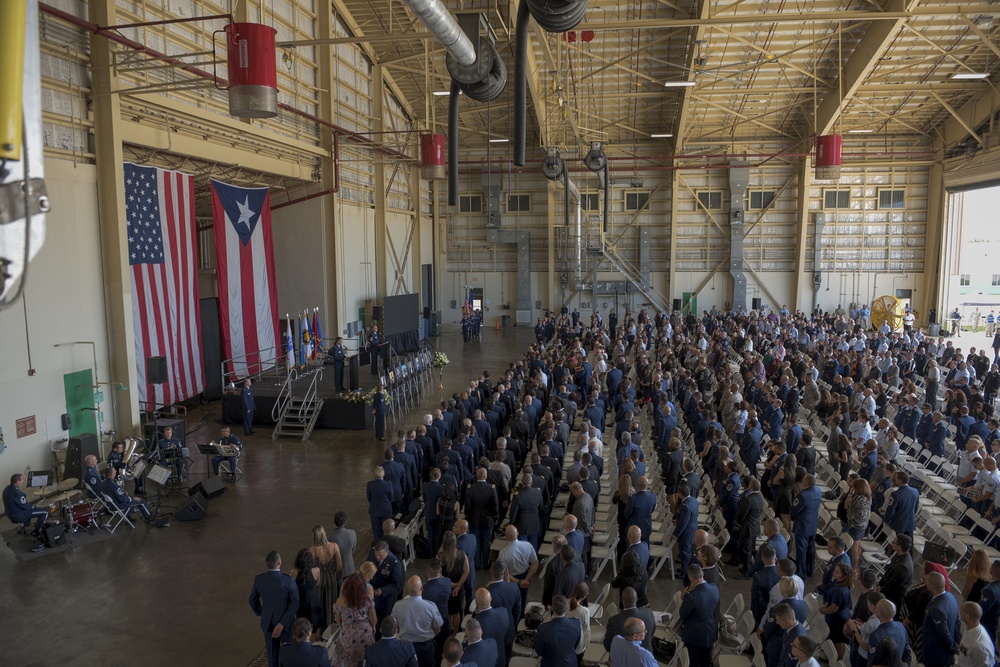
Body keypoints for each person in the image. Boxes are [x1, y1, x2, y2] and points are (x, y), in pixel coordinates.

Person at [249, 551, 300, 667]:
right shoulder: (288, 580)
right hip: (286, 623)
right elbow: (295, 604)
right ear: (279, 563)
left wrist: (262, 612)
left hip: (268, 623)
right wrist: (282, 623)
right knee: (289, 655)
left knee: (272, 656)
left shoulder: (259, 580)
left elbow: (252, 600)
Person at [393, 576, 443, 667]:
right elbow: (438, 628)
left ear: (407, 589)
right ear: (421, 588)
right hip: (426, 648)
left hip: (405, 647)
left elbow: (395, 627)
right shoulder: (431, 607)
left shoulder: (397, 606)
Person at [332, 572, 377, 667]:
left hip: (347, 636)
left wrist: (343, 626)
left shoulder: (340, 601)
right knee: (366, 659)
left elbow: (338, 620)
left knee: (348, 660)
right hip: (364, 634)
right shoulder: (367, 599)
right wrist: (373, 626)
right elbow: (373, 618)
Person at [678, 564, 719, 667]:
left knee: (695, 663)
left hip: (694, 636)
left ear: (691, 578)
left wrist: (685, 597)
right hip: (710, 632)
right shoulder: (714, 588)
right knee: (707, 661)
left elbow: (683, 614)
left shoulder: (691, 596)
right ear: (702, 574)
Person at [101, 466, 165, 526]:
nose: (115, 472)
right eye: (114, 471)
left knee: (130, 497)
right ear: (112, 474)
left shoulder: (104, 483)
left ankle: (128, 518)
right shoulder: (114, 486)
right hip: (119, 505)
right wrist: (132, 498)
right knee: (141, 501)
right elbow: (122, 499)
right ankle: (149, 518)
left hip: (111, 505)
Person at [2, 473, 49, 551]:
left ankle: (25, 529)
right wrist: (34, 507)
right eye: (22, 480)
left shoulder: (7, 488)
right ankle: (37, 533)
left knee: (30, 511)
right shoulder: (16, 493)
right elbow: (25, 506)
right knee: (45, 512)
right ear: (17, 482)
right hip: (17, 515)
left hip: (10, 513)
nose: (23, 481)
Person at [922, 571, 960, 667]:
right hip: (945, 654)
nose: (924, 582)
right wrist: (957, 641)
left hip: (936, 655)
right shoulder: (951, 597)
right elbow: (957, 622)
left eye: (926, 581)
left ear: (931, 586)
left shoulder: (936, 609)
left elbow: (944, 632)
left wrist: (954, 647)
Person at [309, 525, 343, 631]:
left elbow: (310, 568)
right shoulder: (333, 546)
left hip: (319, 581)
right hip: (331, 579)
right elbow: (340, 565)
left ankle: (322, 628)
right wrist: (332, 573)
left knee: (320, 604)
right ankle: (331, 627)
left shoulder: (313, 549)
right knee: (331, 603)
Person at [533, 594, 582, 667]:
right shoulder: (576, 623)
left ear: (552, 608)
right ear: (566, 608)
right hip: (570, 663)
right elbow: (575, 645)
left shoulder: (543, 629)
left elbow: (539, 651)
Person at [603, 587, 656, 654]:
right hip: (647, 656)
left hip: (624, 659)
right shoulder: (649, 612)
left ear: (621, 599)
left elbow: (608, 646)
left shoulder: (614, 621)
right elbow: (652, 633)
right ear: (636, 599)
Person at [465, 467, 499, 569]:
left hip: (474, 519)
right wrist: (496, 517)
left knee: (476, 542)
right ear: (485, 476)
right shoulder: (491, 488)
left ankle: (476, 563)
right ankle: (485, 562)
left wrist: (467, 517)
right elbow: (495, 505)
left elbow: (467, 506)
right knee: (486, 542)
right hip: (487, 520)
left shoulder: (470, 488)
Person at [438, 531, 471, 632]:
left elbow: (438, 574)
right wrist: (458, 585)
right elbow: (467, 571)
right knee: (456, 611)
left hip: (445, 587)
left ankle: (449, 629)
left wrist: (450, 584)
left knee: (447, 610)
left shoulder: (440, 556)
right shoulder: (462, 555)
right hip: (458, 588)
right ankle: (456, 632)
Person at [790, 473, 821, 578]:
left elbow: (794, 510)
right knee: (811, 549)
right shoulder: (818, 492)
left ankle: (801, 572)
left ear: (806, 482)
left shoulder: (802, 495)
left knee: (801, 551)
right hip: (812, 524)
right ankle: (810, 570)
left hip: (802, 525)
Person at [291, 548, 323, 641]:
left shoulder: (294, 572)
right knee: (316, 628)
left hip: (301, 601)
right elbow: (317, 583)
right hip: (313, 600)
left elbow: (292, 588)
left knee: (301, 627)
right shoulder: (316, 570)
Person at [473, 588, 511, 667]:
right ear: (491, 598)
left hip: (485, 659)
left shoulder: (476, 622)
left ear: (476, 603)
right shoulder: (503, 612)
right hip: (501, 655)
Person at [956, 601, 995, 667]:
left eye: (961, 611)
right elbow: (968, 650)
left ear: (967, 617)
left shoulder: (978, 645)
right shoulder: (971, 627)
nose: (959, 613)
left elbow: (983, 665)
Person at [367, 467, 394, 540]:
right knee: (386, 531)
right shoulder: (388, 484)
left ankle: (377, 546)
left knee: (376, 532)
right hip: (386, 510)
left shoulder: (370, 484)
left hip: (374, 510)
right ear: (383, 474)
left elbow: (369, 498)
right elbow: (391, 497)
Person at [329, 511, 358, 579]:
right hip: (350, 568)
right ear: (345, 521)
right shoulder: (352, 533)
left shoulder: (331, 538)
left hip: (338, 570)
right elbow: (353, 549)